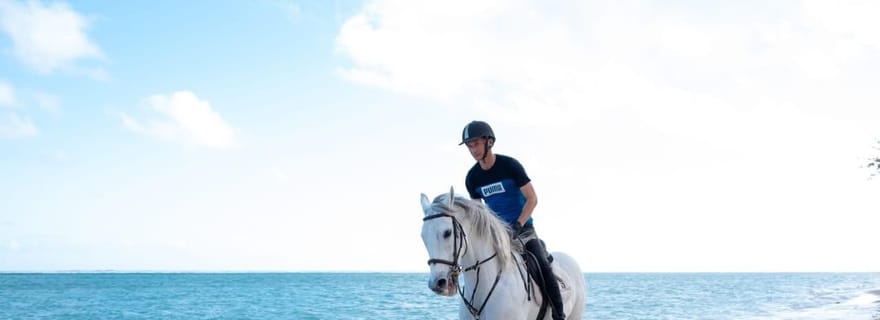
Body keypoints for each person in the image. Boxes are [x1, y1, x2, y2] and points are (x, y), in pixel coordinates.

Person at [459, 120, 566, 320]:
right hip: (496, 235)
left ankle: (559, 315)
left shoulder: (510, 166)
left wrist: (518, 224)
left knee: (543, 265)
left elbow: (532, 199)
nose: (472, 150)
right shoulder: (472, 178)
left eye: (475, 144)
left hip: (523, 230)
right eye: (469, 146)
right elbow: (478, 212)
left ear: (489, 142)